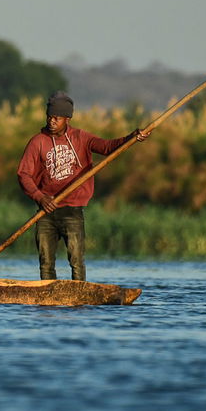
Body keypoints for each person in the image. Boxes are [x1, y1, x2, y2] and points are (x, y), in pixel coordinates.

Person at [17, 90, 147, 281]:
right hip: (46, 211)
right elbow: (23, 174)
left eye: (57, 118)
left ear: (67, 119)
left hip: (72, 210)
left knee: (76, 261)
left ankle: (79, 294)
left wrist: (131, 138)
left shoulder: (81, 137)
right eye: (49, 117)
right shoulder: (37, 142)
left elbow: (107, 147)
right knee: (46, 263)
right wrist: (40, 197)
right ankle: (47, 295)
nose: (52, 121)